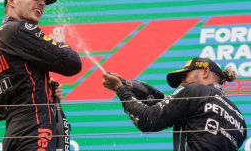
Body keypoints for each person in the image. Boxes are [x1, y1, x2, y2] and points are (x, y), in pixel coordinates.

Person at [0, 0, 82, 151]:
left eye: (43, 0)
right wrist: (60, 43)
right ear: (12, 0)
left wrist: (43, 92)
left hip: (12, 137)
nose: (42, 3)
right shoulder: (20, 28)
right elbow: (72, 63)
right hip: (37, 131)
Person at [102, 57, 247, 151]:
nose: (182, 83)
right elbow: (164, 101)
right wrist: (128, 84)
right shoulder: (239, 119)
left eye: (185, 76)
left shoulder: (194, 90)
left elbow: (147, 120)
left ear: (205, 72)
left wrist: (120, 89)